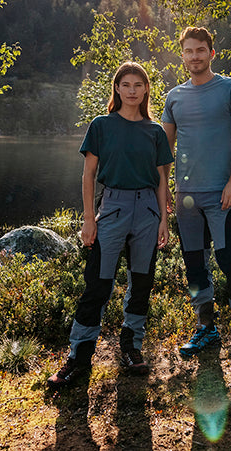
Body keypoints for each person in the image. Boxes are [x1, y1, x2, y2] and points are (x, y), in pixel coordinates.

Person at [48, 62, 174, 388]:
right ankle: (79, 356)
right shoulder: (101, 126)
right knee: (98, 283)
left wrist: (164, 221)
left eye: (138, 85)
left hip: (148, 212)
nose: (132, 90)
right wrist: (89, 219)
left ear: (146, 90)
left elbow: (162, 180)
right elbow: (89, 175)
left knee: (141, 283)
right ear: (117, 89)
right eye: (126, 84)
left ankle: (131, 347)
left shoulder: (155, 131)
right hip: (113, 209)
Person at [161, 26, 231, 367]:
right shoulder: (174, 97)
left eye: (200, 50)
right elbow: (165, 151)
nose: (194, 57)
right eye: (188, 51)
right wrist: (164, 192)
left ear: (211, 53)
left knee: (230, 260)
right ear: (183, 55)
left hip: (222, 195)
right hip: (186, 198)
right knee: (194, 264)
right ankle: (207, 328)